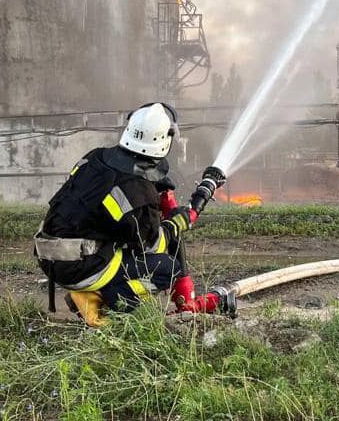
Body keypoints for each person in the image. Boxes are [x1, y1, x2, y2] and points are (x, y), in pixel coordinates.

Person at [34, 102, 230, 327]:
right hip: (78, 268)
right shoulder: (140, 194)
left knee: (123, 247)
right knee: (167, 269)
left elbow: (98, 206)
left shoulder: (94, 158)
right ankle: (104, 301)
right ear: (164, 141)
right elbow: (152, 244)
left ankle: (95, 289)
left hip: (48, 256)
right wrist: (176, 224)